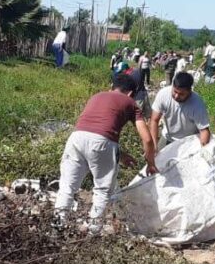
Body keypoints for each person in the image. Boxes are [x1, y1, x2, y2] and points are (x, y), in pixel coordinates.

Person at [55, 74, 157, 223]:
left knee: (67, 186)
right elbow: (147, 139)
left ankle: (57, 225)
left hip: (76, 139)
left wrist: (120, 155)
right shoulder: (130, 102)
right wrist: (151, 163)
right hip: (102, 143)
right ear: (130, 93)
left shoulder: (96, 96)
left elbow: (94, 133)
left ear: (112, 87)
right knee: (102, 191)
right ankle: (93, 232)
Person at [150, 72, 211, 149]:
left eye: (181, 94)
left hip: (188, 141)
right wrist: (154, 145)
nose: (176, 96)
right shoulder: (163, 94)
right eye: (175, 91)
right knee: (157, 158)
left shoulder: (197, 104)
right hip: (168, 136)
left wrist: (204, 150)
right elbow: (154, 120)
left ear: (189, 91)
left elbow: (204, 131)